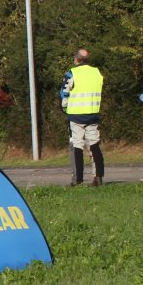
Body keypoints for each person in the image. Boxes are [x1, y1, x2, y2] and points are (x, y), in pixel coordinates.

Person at [59, 48, 105, 186]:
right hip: (92, 114)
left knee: (77, 145)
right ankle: (98, 177)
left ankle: (78, 179)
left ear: (76, 59)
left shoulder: (72, 73)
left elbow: (63, 93)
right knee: (94, 144)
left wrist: (64, 108)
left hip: (76, 115)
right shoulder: (97, 72)